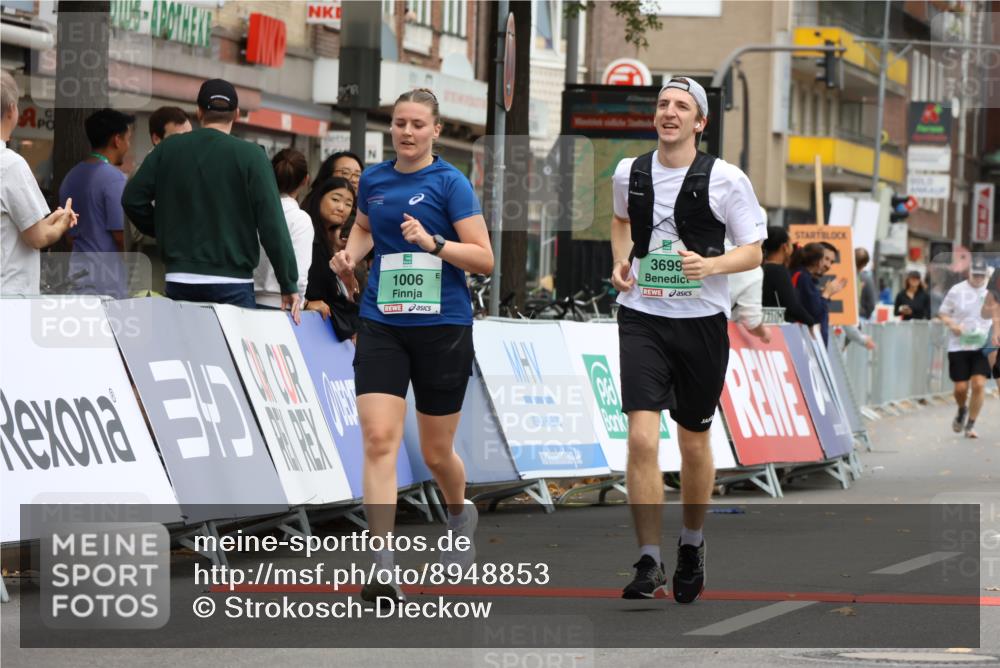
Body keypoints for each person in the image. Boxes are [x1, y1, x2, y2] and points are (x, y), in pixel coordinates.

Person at [330, 88, 494, 604]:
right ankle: (381, 566)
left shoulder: (451, 184)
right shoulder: (374, 180)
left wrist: (434, 244)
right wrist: (348, 257)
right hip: (382, 320)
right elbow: (363, 229)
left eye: (417, 124)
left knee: (435, 450)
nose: (406, 132)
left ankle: (458, 511)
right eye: (399, 123)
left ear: (435, 131)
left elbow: (485, 260)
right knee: (379, 439)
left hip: (443, 326)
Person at [608, 77, 765, 603]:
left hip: (700, 322)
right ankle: (649, 558)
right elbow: (620, 220)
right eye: (662, 105)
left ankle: (692, 542)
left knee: (693, 442)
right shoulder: (628, 171)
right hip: (642, 317)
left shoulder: (726, 179)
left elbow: (754, 250)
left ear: (700, 122)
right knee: (641, 439)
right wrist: (619, 261)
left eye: (681, 107)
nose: (669, 113)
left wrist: (711, 264)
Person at [122, 79, 300, 317]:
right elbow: (272, 225)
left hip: (180, 277)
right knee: (232, 352)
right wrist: (288, 283)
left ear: (199, 111)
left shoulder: (168, 150)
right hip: (233, 281)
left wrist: (163, 229)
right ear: (236, 114)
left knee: (185, 351)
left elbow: (132, 198)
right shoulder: (252, 156)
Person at [0, 69, 77, 296]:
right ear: (12, 110)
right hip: (10, 298)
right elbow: (37, 238)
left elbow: (24, 225)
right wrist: (62, 224)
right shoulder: (11, 165)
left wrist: (51, 218)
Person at [59, 108, 135, 297]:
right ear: (116, 140)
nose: (128, 145)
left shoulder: (70, 177)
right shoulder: (114, 179)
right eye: (128, 139)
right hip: (107, 285)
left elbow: (68, 237)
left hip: (77, 278)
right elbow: (121, 237)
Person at [937, 258, 993, 439]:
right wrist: (953, 325)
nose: (978, 278)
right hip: (958, 345)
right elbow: (943, 313)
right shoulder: (957, 290)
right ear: (969, 273)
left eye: (981, 275)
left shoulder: (992, 292)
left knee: (979, 384)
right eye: (975, 274)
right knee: (961, 388)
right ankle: (962, 409)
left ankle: (971, 424)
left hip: (981, 345)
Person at [254, 148, 313, 310]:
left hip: (248, 299)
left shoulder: (255, 211)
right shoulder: (301, 219)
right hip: (284, 303)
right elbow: (300, 276)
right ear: (305, 180)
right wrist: (300, 303)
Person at [304, 176, 361, 340]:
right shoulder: (306, 229)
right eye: (335, 199)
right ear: (319, 197)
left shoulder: (335, 244)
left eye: (348, 204)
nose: (341, 208)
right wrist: (305, 303)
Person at [790, 242, 847, 345]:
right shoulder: (803, 277)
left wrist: (825, 294)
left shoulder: (807, 280)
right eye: (825, 259)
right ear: (816, 259)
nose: (828, 265)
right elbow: (815, 313)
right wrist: (826, 294)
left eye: (832, 262)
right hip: (805, 343)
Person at [761, 227, 816, 328]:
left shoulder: (761, 268)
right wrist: (811, 322)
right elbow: (792, 306)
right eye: (791, 243)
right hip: (776, 328)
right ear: (784, 247)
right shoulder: (779, 271)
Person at [856, 247, 877, 320]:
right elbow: (871, 304)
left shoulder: (841, 276)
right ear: (865, 264)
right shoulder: (866, 279)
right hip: (861, 318)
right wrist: (865, 314)